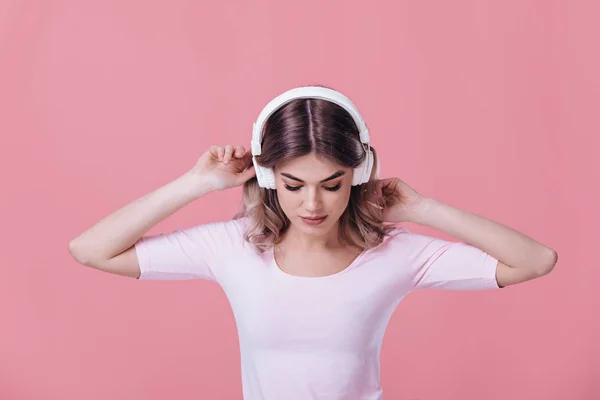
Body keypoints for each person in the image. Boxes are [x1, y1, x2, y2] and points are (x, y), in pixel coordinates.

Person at [69, 85, 558, 400]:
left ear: (360, 173)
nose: (312, 205)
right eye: (293, 184)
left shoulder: (396, 253)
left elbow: (536, 261)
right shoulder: (230, 248)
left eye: (332, 183)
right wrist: (196, 183)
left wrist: (424, 208)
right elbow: (90, 249)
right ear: (267, 177)